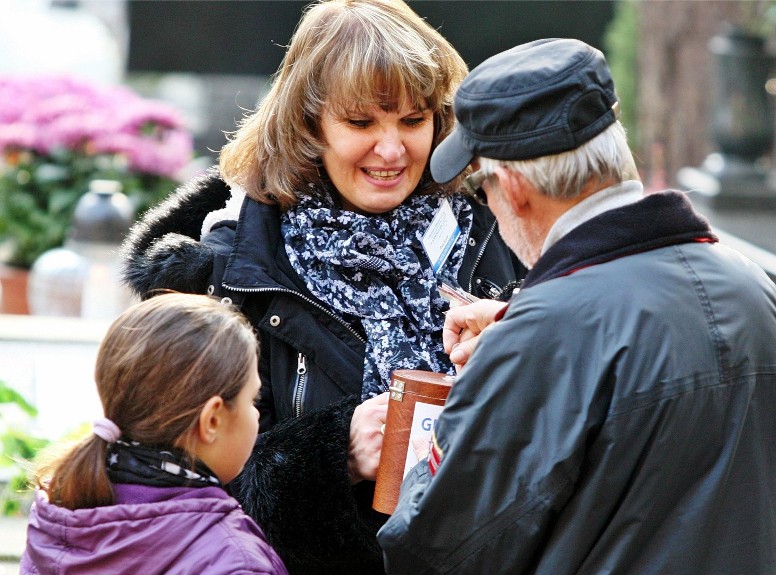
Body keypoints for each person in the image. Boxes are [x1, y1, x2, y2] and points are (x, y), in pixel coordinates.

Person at [121, 1, 525, 573]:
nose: (392, 150)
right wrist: (330, 453)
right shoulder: (223, 273)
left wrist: (519, 349)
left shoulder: (503, 234)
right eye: (361, 123)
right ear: (309, 126)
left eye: (413, 121)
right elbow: (172, 489)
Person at [378, 38, 776, 574]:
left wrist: (501, 362)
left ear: (514, 186)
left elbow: (433, 550)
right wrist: (522, 321)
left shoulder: (545, 334)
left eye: (483, 186)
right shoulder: (750, 286)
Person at [20, 293, 288, 574]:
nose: (256, 414)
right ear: (212, 420)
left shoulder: (55, 520)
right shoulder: (236, 562)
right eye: (252, 400)